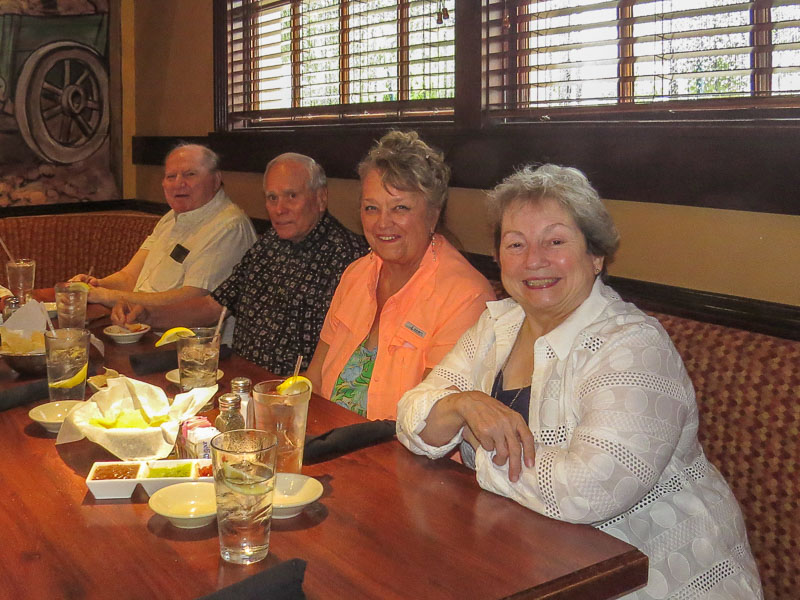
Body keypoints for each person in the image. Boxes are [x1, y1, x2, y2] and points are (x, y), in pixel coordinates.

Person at [396, 165, 763, 599]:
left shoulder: (633, 346)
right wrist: (463, 405)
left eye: (555, 241)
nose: (534, 260)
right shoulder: (499, 325)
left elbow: (589, 490)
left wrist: (477, 446)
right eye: (516, 244)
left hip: (651, 577)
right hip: (530, 558)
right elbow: (411, 413)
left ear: (596, 255)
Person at [112, 153, 368, 376]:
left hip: (295, 393)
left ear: (321, 198)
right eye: (272, 198)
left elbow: (353, 354)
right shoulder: (268, 245)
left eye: (292, 196)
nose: (280, 209)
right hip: (237, 377)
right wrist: (148, 314)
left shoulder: (350, 258)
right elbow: (213, 306)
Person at [305, 131, 495, 420]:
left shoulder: (466, 296)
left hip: (403, 459)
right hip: (331, 444)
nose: (382, 223)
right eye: (371, 208)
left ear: (433, 214)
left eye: (400, 208)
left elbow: (432, 420)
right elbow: (315, 380)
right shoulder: (356, 274)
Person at [72, 143, 256, 309]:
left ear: (216, 180)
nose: (178, 183)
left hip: (185, 340)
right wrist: (95, 286)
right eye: (171, 176)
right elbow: (129, 277)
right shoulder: (171, 217)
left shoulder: (228, 228)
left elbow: (193, 301)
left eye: (190, 174)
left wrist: (108, 297)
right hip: (139, 326)